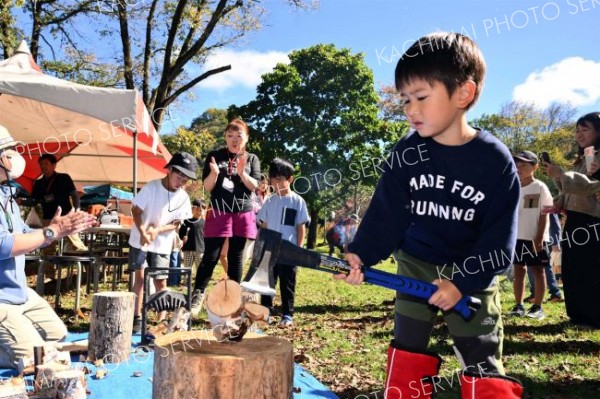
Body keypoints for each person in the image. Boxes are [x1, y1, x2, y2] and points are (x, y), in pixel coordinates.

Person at [336, 33, 523, 398]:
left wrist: (461, 282)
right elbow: (386, 215)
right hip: (416, 266)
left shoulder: (495, 161)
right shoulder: (406, 153)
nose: (409, 108)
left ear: (463, 94)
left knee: (482, 360)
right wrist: (361, 254)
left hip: (472, 272)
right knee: (407, 350)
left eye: (421, 97)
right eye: (405, 99)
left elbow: (499, 243)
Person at [0, 125, 96, 369]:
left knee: (56, 337)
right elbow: (3, 245)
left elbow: (22, 233)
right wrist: (51, 232)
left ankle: (17, 338)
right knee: (34, 359)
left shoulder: (6, 194)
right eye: (9, 150)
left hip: (18, 292)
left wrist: (51, 231)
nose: (15, 155)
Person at [191, 118, 261, 315]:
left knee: (235, 257)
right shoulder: (215, 156)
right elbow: (208, 187)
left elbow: (254, 186)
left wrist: (242, 173)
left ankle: (232, 298)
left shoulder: (252, 158)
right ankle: (197, 296)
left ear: (246, 138)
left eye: (239, 136)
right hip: (219, 210)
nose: (234, 139)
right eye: (230, 135)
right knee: (211, 256)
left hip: (242, 212)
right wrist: (214, 173)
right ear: (225, 137)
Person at [542, 112, 600, 329]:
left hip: (592, 221)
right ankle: (577, 314)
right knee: (573, 268)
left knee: (590, 269)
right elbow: (573, 191)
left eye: (585, 129)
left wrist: (560, 174)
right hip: (574, 218)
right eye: (577, 130)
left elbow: (589, 186)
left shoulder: (597, 157)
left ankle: (593, 317)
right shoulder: (582, 158)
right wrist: (558, 202)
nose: (579, 134)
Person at [128, 152, 196, 333]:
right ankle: (137, 317)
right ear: (170, 170)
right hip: (139, 239)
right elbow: (136, 211)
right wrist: (143, 232)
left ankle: (162, 319)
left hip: (162, 243)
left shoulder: (183, 198)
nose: (181, 181)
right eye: (179, 175)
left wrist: (157, 230)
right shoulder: (152, 187)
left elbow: (176, 223)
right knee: (140, 278)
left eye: (185, 179)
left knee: (161, 281)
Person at [257, 158, 309, 327]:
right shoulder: (270, 201)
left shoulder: (297, 201)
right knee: (267, 283)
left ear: (290, 179)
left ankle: (287, 314)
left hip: (289, 251)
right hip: (270, 249)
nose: (276, 183)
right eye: (273, 179)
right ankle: (266, 312)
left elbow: (301, 227)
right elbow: (263, 224)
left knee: (287, 284)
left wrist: (298, 251)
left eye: (279, 179)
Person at [507, 151, 552, 320]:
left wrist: (539, 238)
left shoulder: (540, 187)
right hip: (516, 237)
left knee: (538, 270)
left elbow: (544, 213)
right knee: (519, 270)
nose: (519, 169)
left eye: (524, 165)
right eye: (516, 165)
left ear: (535, 167)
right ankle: (518, 305)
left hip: (535, 238)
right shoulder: (511, 186)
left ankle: (538, 307)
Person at [31, 153, 87, 253]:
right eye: (41, 164)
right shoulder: (38, 183)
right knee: (47, 247)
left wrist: (77, 210)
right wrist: (21, 201)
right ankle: (48, 268)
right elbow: (34, 200)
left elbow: (74, 195)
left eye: (46, 163)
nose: (43, 166)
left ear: (54, 165)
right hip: (48, 218)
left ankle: (87, 265)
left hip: (66, 216)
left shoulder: (64, 178)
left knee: (78, 246)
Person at [526, 212, 563, 302]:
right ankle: (538, 294)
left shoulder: (546, 200)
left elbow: (554, 223)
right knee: (533, 266)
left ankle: (553, 293)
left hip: (544, 240)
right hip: (531, 239)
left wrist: (556, 242)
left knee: (543, 267)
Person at [173, 199, 207, 286]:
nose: (199, 212)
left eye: (201, 210)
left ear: (204, 211)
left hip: (200, 249)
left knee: (200, 267)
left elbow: (207, 237)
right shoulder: (186, 221)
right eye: (197, 209)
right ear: (192, 209)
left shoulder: (205, 223)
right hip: (188, 249)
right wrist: (182, 237)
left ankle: (199, 283)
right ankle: (186, 282)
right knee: (187, 267)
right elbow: (181, 233)